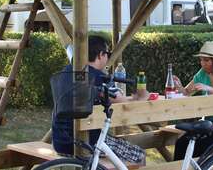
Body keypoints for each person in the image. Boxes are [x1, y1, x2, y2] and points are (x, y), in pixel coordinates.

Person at [52, 35, 147, 163]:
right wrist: (141, 97)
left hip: (59, 140)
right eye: (107, 53)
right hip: (85, 142)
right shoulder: (97, 77)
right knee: (139, 155)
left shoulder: (69, 71)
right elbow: (122, 101)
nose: (108, 57)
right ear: (100, 55)